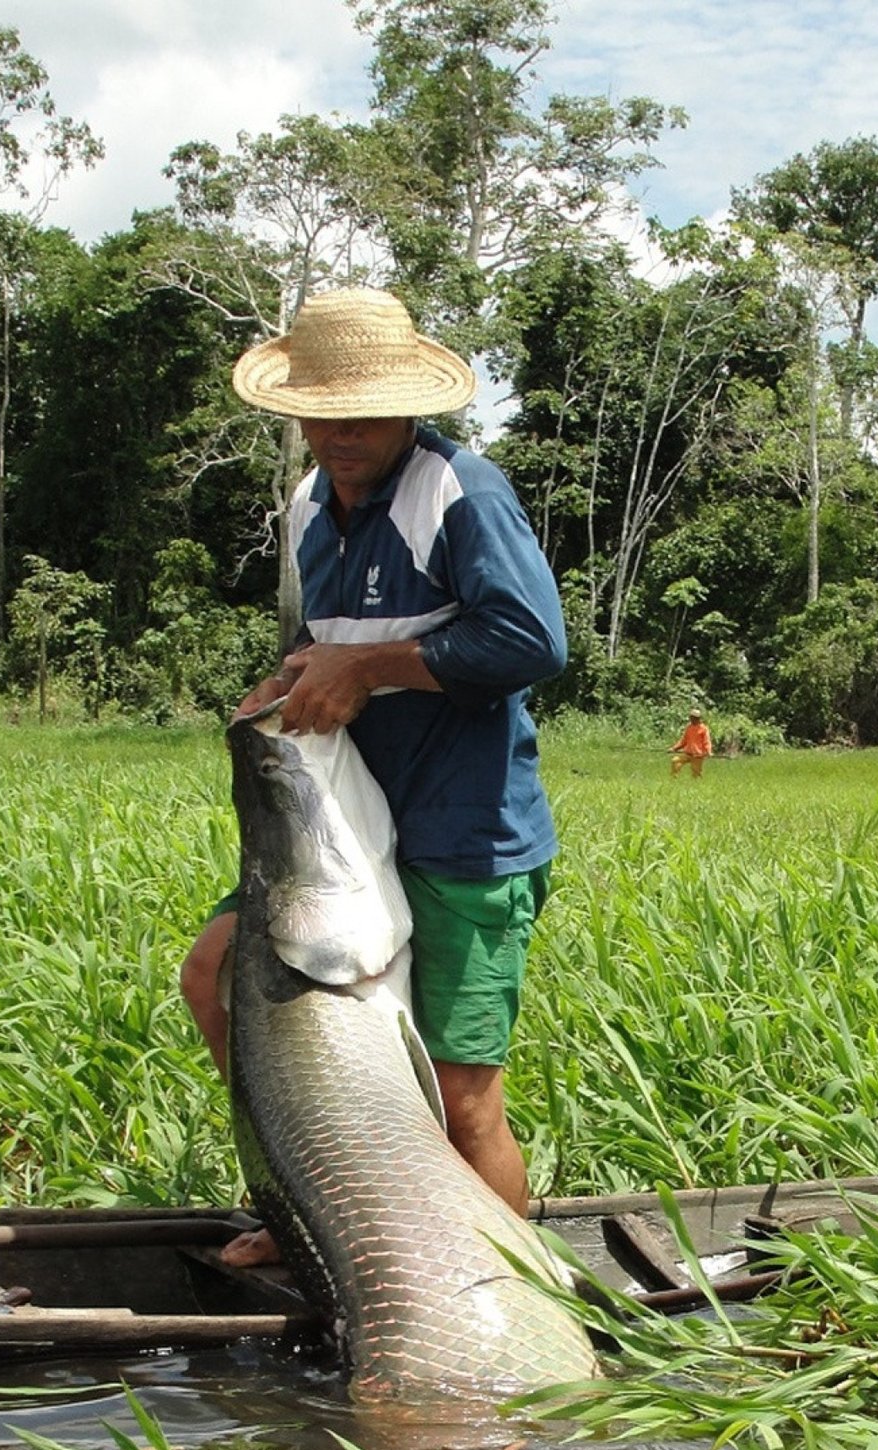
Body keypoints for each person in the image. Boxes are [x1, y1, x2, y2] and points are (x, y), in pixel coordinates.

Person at [179, 287, 566, 1259]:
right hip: (343, 837)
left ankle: (508, 1290)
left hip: (462, 828)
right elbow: (325, 642)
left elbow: (531, 639)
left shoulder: (458, 492)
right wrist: (290, 679)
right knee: (216, 976)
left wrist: (369, 670)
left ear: (405, 404)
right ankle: (306, 1202)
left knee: (462, 1092)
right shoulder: (311, 505)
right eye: (324, 413)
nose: (342, 434)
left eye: (364, 412)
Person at [669, 708, 713, 778]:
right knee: (675, 761)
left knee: (696, 773)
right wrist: (674, 748)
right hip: (687, 753)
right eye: (690, 717)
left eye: (692, 717)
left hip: (697, 755)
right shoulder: (689, 727)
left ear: (697, 718)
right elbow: (683, 741)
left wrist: (709, 751)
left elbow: (707, 741)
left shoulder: (704, 728)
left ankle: (697, 785)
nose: (691, 719)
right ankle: (674, 778)